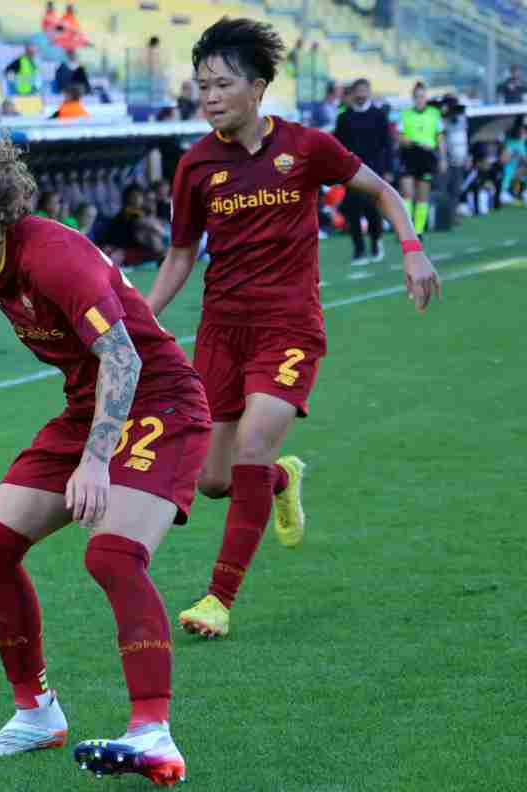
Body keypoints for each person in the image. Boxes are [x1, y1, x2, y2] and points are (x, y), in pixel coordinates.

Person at [0, 114, 211, 784]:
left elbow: (125, 358)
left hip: (160, 403)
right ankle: (36, 715)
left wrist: (95, 460)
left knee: (111, 553)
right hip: (90, 409)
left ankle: (153, 732)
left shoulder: (54, 257)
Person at [145, 18, 440, 640]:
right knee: (213, 479)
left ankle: (217, 600)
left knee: (253, 446)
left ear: (257, 87)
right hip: (221, 329)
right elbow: (178, 254)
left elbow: (383, 189)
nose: (210, 98)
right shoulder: (195, 166)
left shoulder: (305, 147)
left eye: (221, 85)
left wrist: (412, 247)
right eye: (201, 87)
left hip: (289, 326)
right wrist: (141, 319)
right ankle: (282, 478)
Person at [334, 78, 394, 266]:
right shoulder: (344, 118)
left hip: (375, 169)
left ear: (369, 92)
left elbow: (388, 145)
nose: (361, 95)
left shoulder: (379, 115)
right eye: (358, 91)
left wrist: (388, 169)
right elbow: (338, 147)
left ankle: (376, 241)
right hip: (352, 170)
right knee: (353, 209)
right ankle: (358, 249)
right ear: (353, 93)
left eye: (364, 91)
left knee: (371, 207)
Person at [398, 82, 446, 234]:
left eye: (422, 96)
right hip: (409, 155)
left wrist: (443, 158)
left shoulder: (434, 113)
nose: (420, 99)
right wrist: (413, 142)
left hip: (427, 157)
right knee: (406, 193)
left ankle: (418, 232)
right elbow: (400, 137)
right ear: (413, 98)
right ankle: (407, 229)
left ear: (426, 97)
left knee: (422, 195)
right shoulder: (405, 114)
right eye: (417, 96)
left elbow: (440, 137)